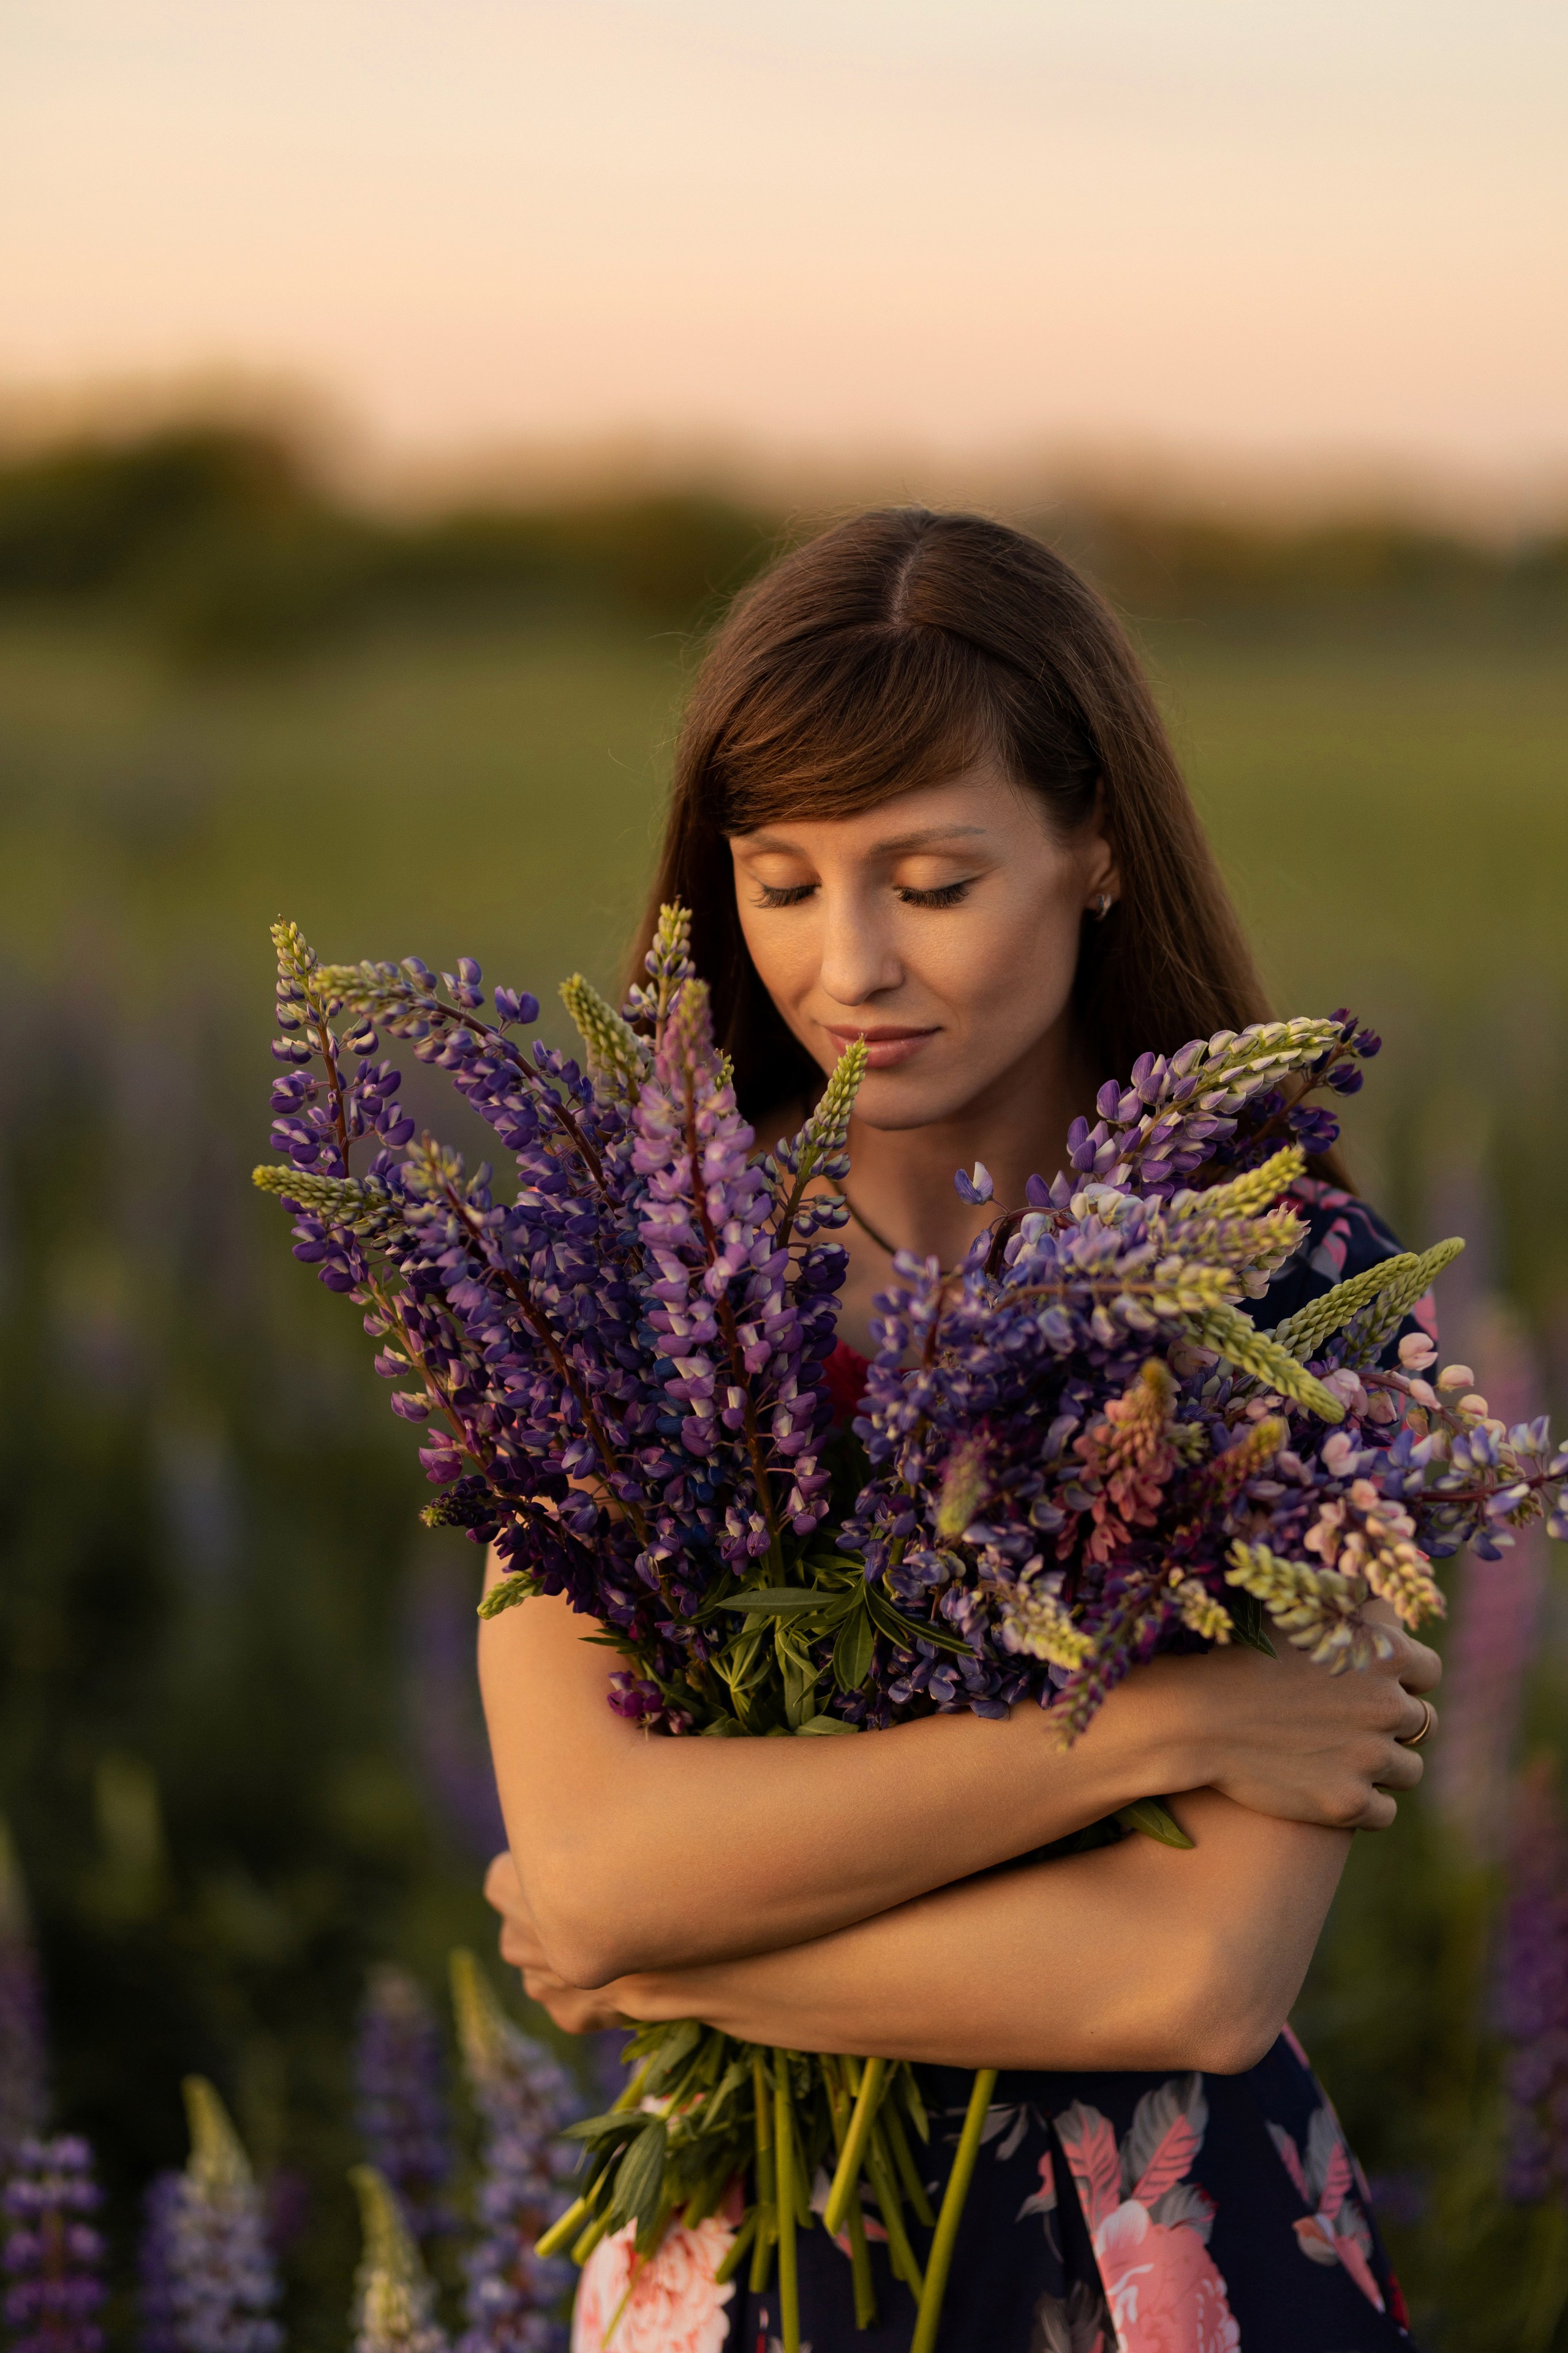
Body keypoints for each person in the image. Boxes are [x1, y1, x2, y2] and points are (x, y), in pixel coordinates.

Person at [480, 510, 1440, 2351]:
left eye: (929, 883)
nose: (849, 967)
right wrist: (1150, 1728)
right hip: (739, 2262)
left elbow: (1199, 1973)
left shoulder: (1292, 1277)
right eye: (781, 881)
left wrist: (675, 1955)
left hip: (1160, 2255)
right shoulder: (621, 1272)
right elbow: (594, 1855)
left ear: (1093, 848)